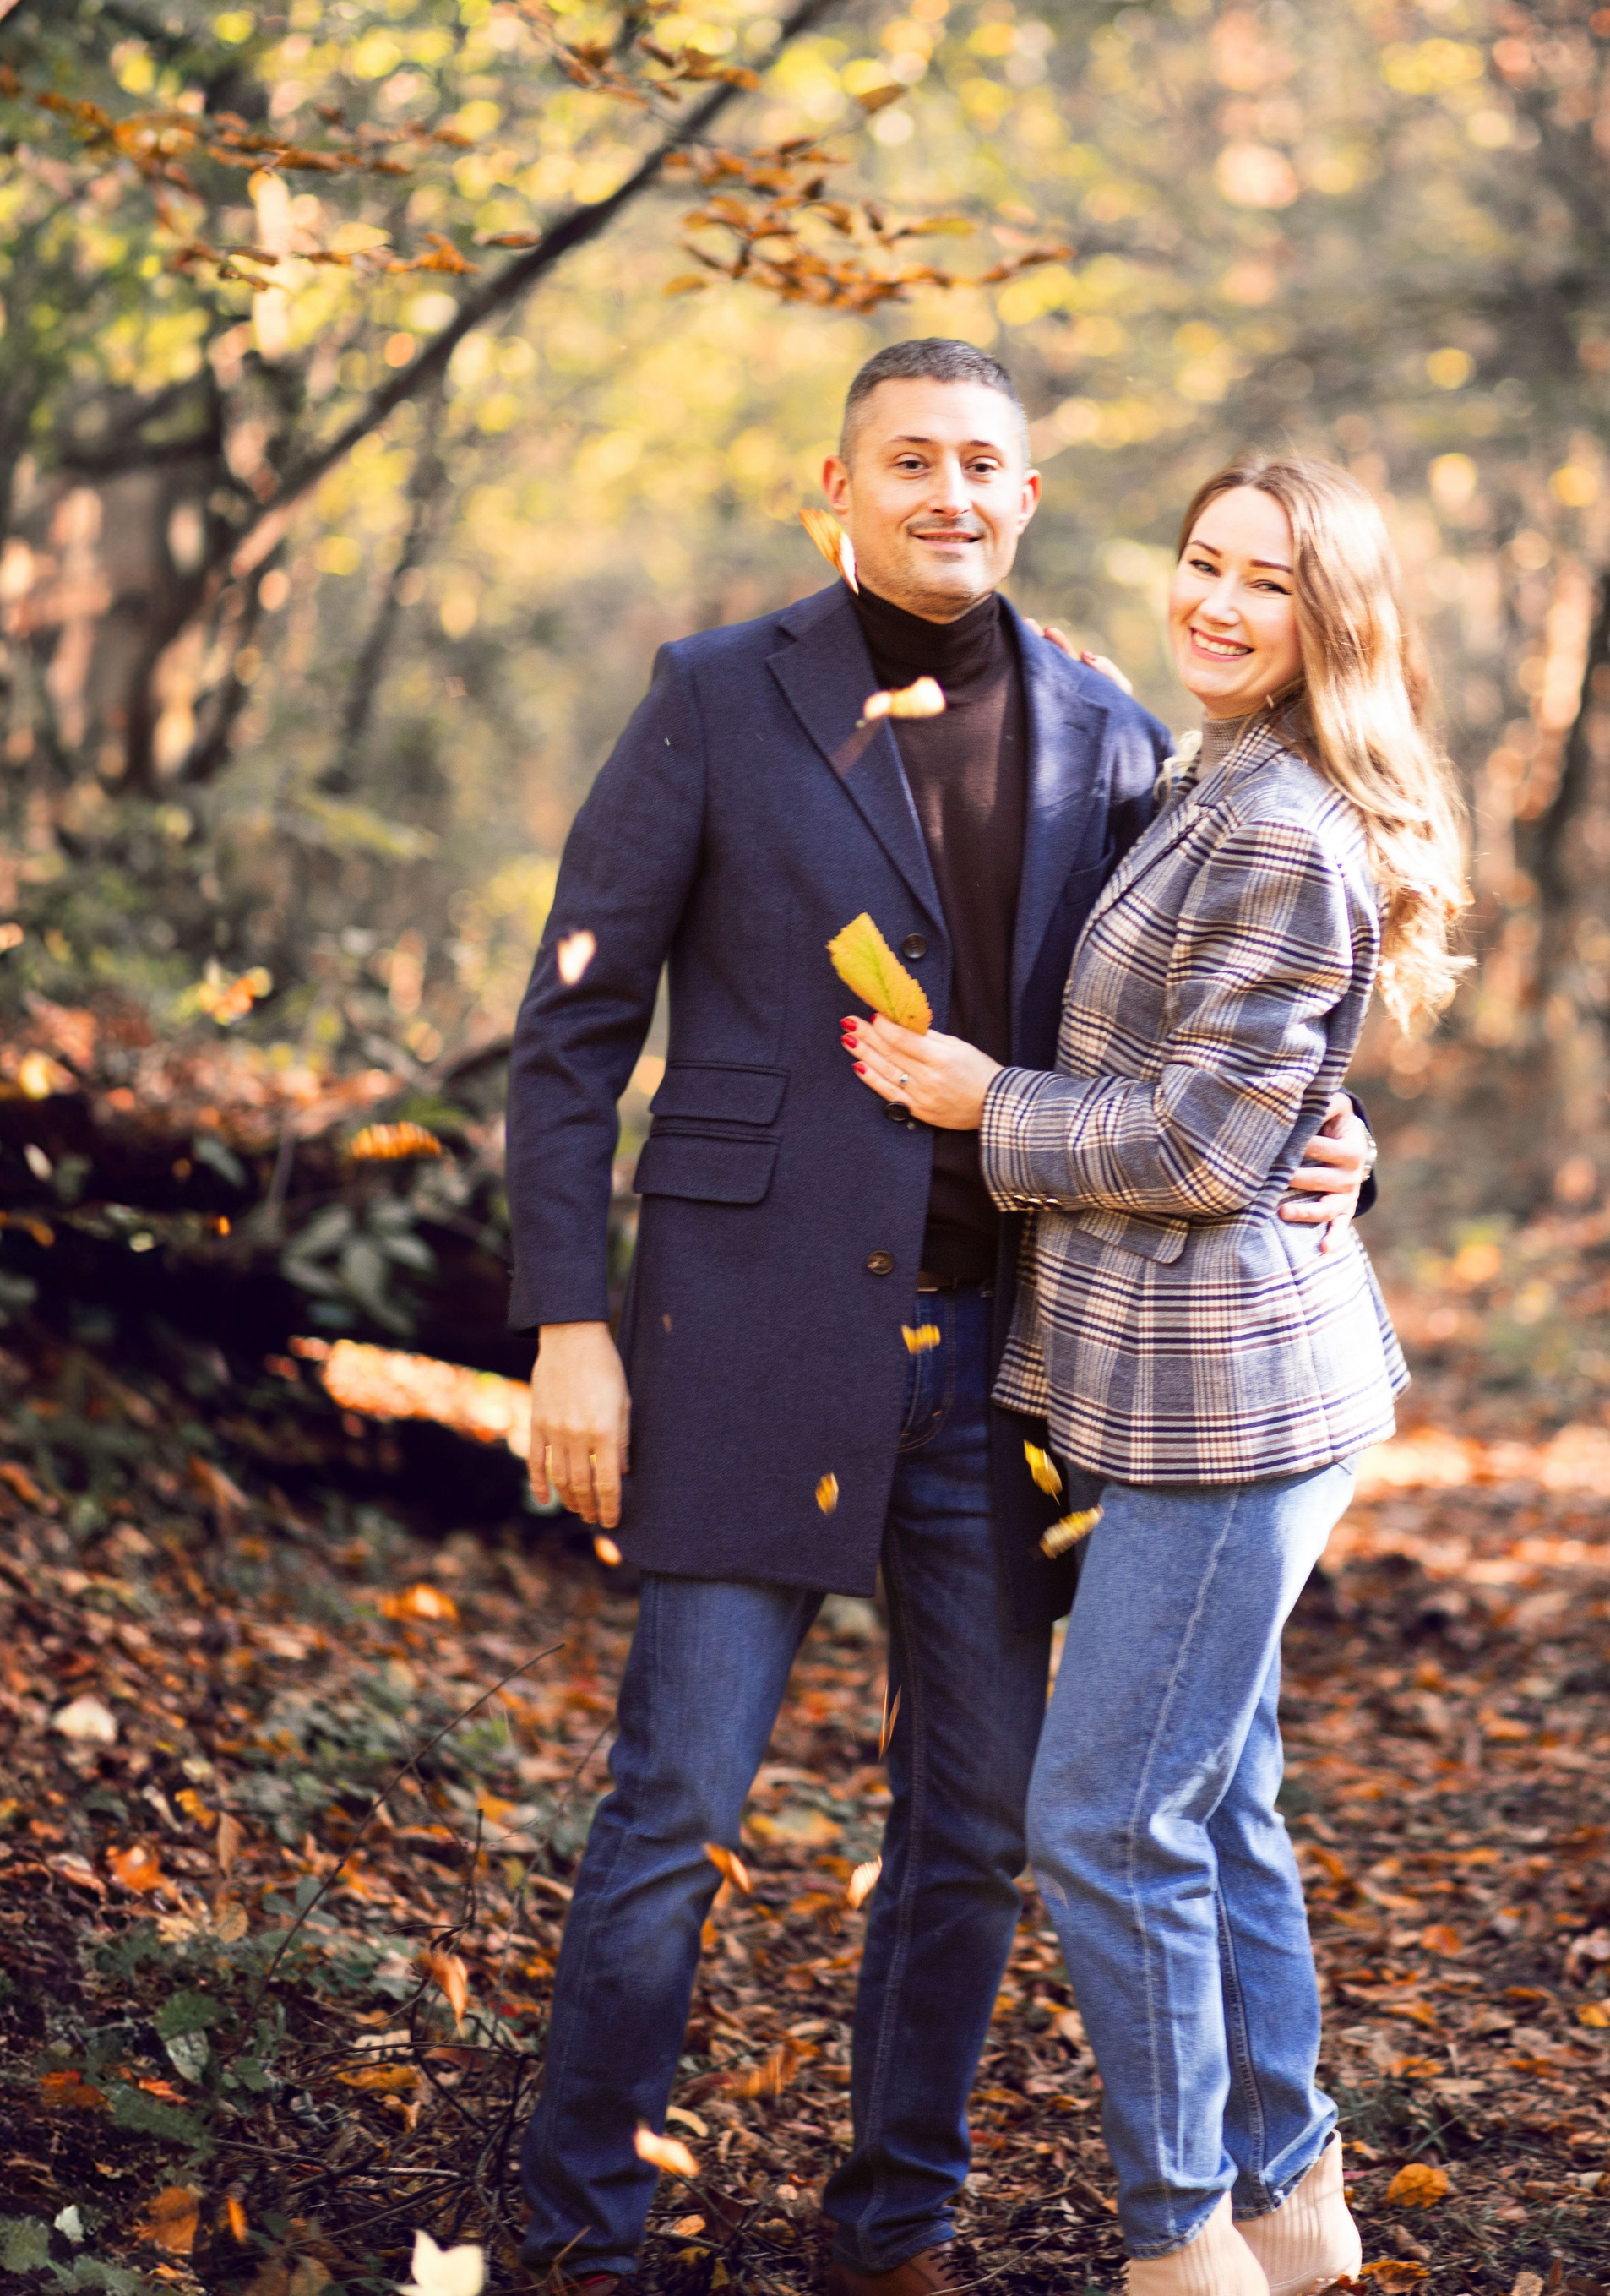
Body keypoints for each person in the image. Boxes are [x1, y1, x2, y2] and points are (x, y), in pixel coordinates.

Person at [504, 345, 1378, 2295]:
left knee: (976, 1828)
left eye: (985, 462)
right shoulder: (716, 697)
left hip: (1002, 1368)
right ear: (837, 483)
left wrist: (1343, 1141)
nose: (948, 493)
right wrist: (569, 1319)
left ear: (1031, 495)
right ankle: (582, 2224)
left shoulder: (1108, 728)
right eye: (910, 460)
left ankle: (895, 2218)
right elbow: (572, 1025)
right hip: (734, 1339)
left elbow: (1221, 1023)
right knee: (673, 1813)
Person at [841, 454, 1467, 2296]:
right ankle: (1288, 2199)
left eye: (1263, 583)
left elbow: (1201, 1145)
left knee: (1104, 1817)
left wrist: (987, 1104)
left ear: (1326, 621)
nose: (1213, 603)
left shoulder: (1278, 820)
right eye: (1200, 563)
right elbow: (1251, 1082)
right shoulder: (1221, 775)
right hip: (1172, 1371)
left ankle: (1179, 2236)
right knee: (1218, 1800)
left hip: (1231, 1402)